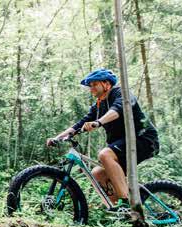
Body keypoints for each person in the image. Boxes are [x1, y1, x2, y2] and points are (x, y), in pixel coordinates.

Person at [47, 69, 159, 211]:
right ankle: (120, 211)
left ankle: (126, 203)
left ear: (106, 84)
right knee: (98, 173)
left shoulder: (121, 94)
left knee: (105, 154)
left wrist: (98, 122)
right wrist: (58, 138)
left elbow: (117, 110)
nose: (91, 88)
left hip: (144, 139)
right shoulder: (99, 105)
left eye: (94, 84)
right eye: (90, 86)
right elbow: (80, 124)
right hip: (123, 144)